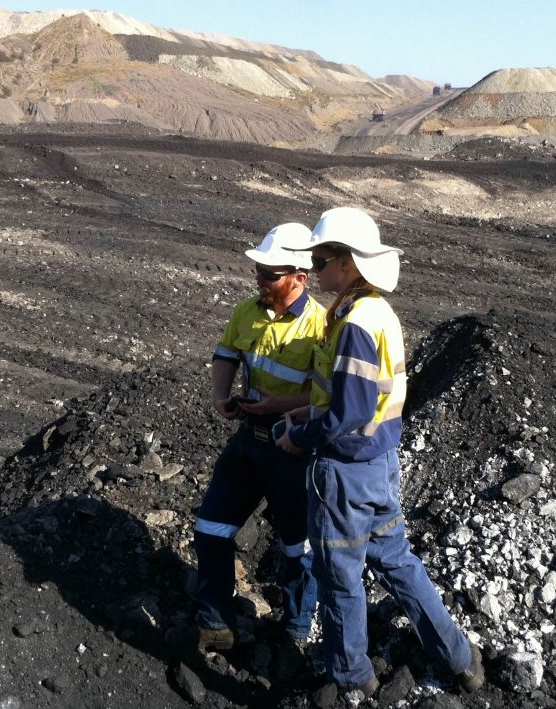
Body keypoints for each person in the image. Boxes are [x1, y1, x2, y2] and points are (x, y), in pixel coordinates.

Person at [275, 207, 484, 696]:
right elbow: (355, 399)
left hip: (344, 473)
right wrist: (308, 413)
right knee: (397, 560)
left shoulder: (353, 325)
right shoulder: (376, 312)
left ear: (348, 263)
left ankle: (351, 679)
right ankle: (460, 659)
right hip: (380, 466)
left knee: (339, 573)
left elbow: (348, 411)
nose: (315, 270)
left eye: (322, 260)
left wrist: (298, 437)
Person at [193, 223, 326, 652]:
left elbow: (331, 393)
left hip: (293, 450)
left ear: (299, 278)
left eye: (270, 273)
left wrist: (278, 405)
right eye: (259, 271)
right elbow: (226, 354)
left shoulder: (321, 327)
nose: (259, 279)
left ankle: (296, 630)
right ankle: (215, 621)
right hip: (248, 442)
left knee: (296, 547)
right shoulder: (246, 311)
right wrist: (220, 396)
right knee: (211, 527)